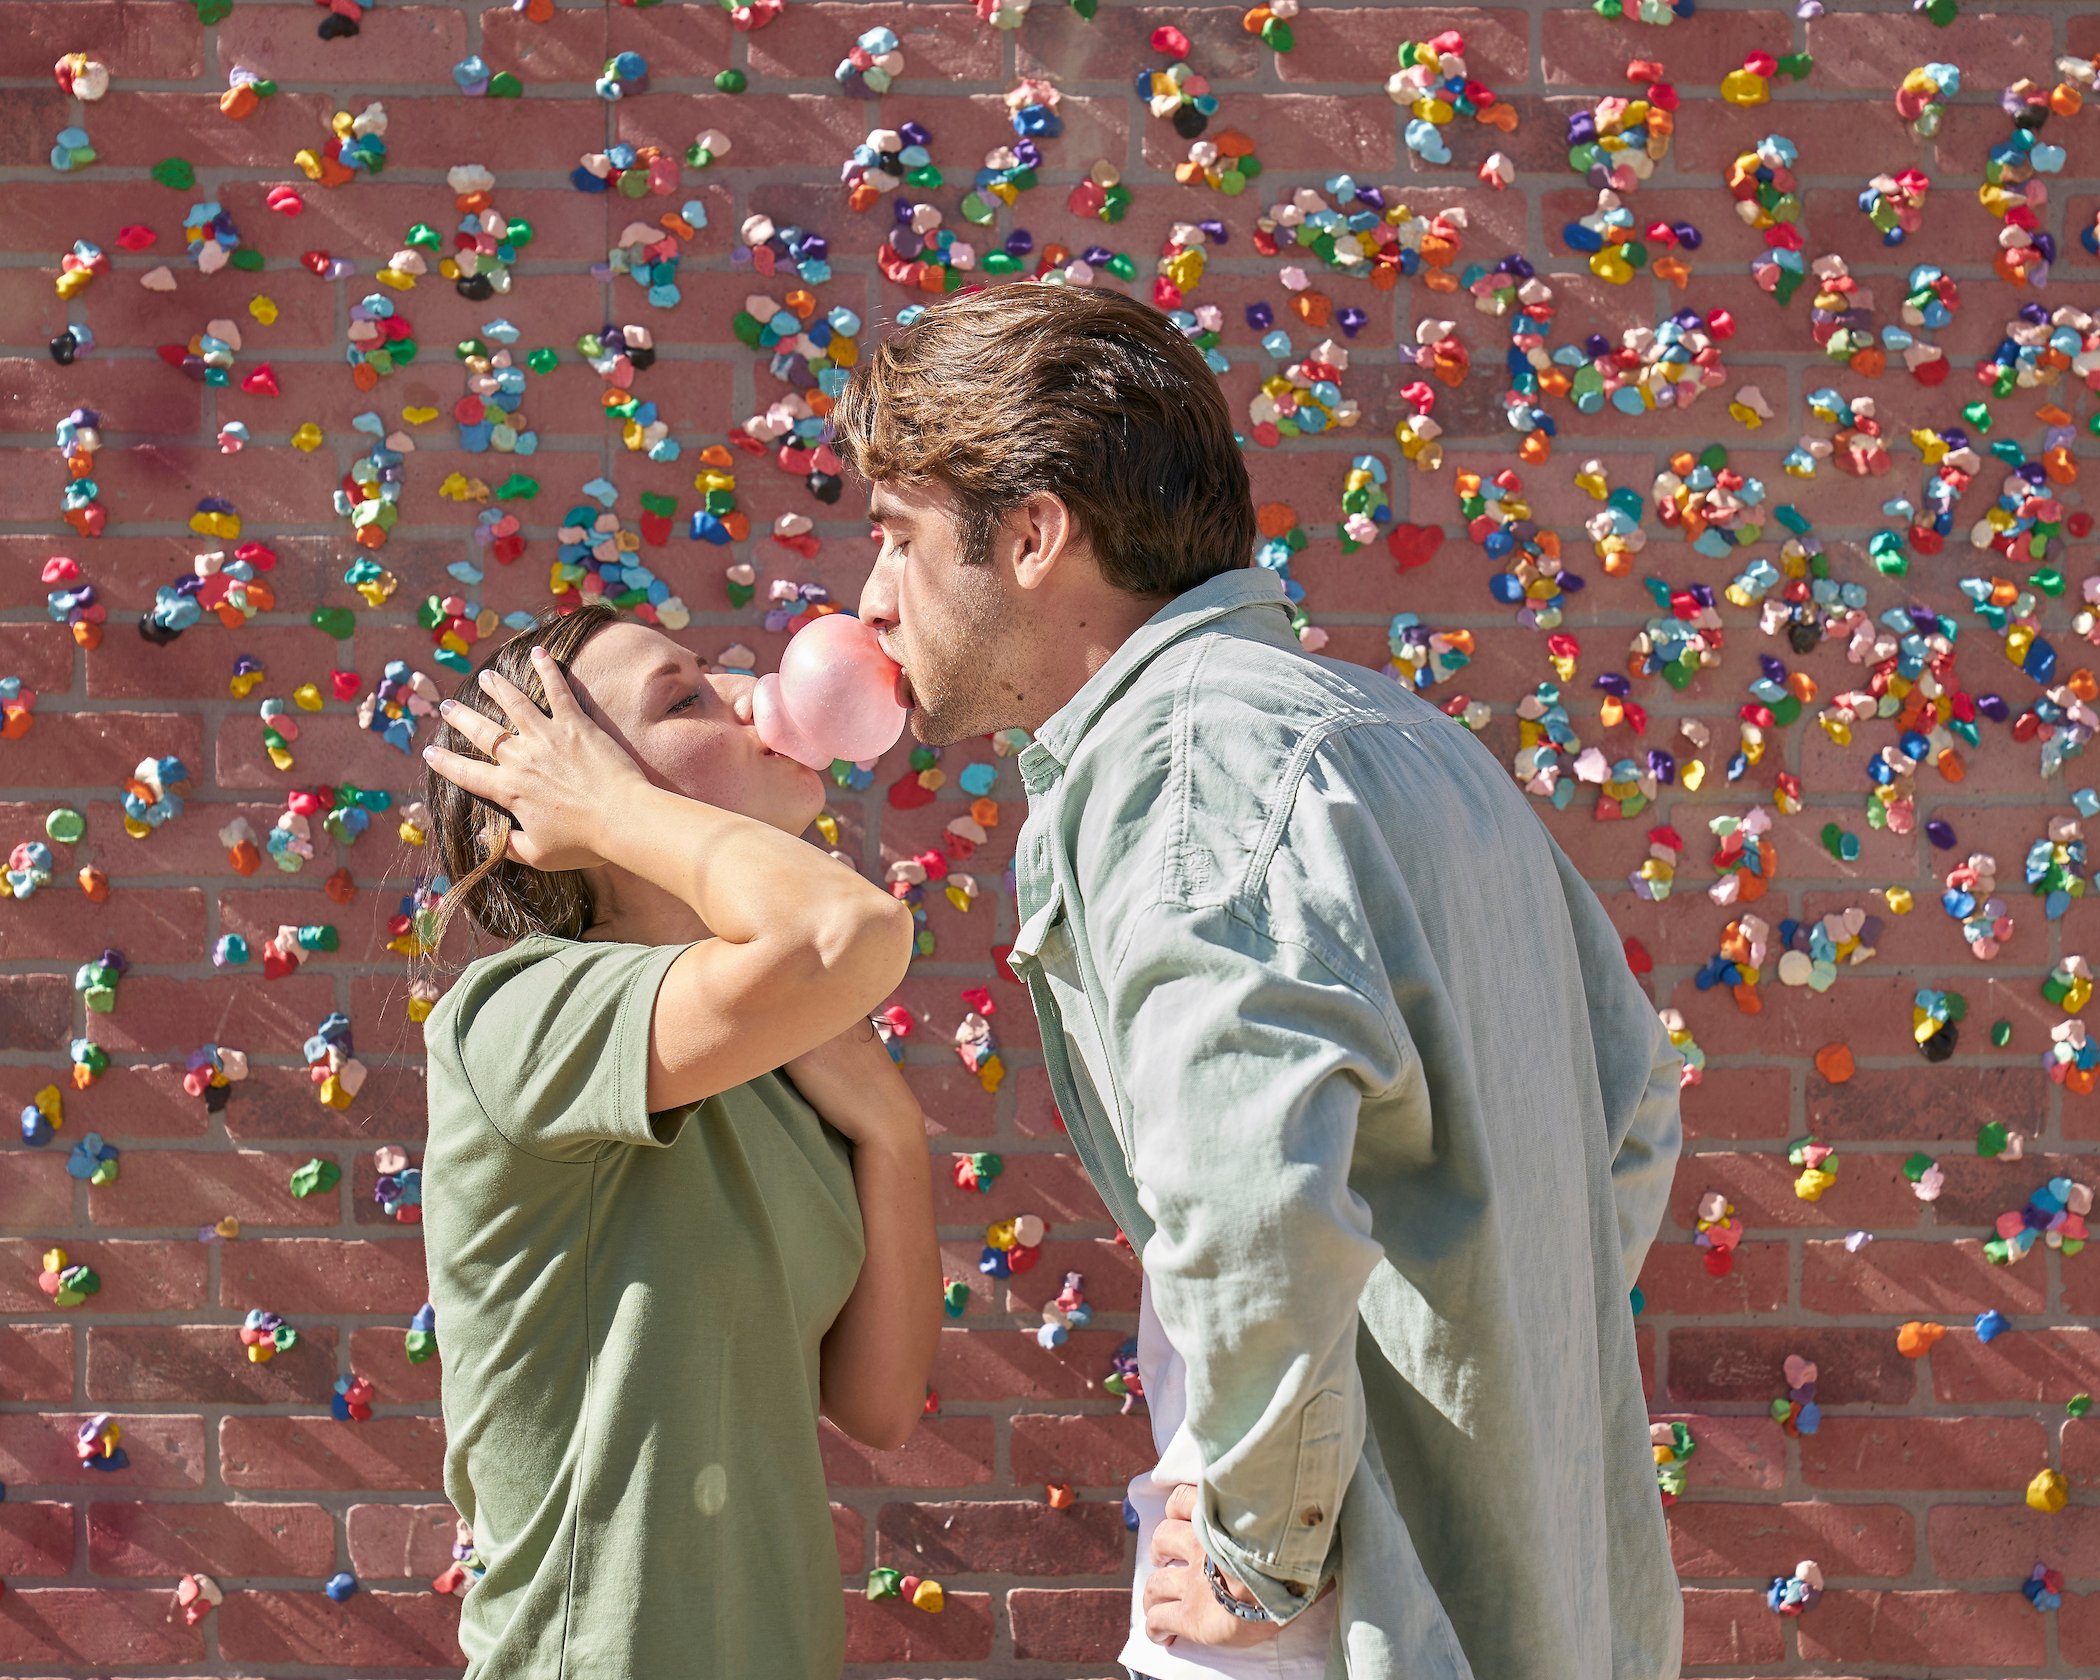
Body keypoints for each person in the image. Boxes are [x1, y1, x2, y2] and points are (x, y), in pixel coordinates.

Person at [831, 283, 1686, 1680]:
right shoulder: (1410, 742)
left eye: (898, 537)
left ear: (1035, 533)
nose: (870, 597)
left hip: (1322, 1624)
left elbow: (1251, 1208)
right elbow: (1633, 1106)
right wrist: (1486, 1352)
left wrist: (1252, 1546)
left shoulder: (1181, 773)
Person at [416, 603, 940, 1678]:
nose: (755, 698)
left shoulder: (784, 1050)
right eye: (684, 697)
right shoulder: (516, 1015)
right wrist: (610, 810)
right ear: (572, 792)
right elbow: (852, 930)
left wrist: (893, 1134)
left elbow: (879, 1404)